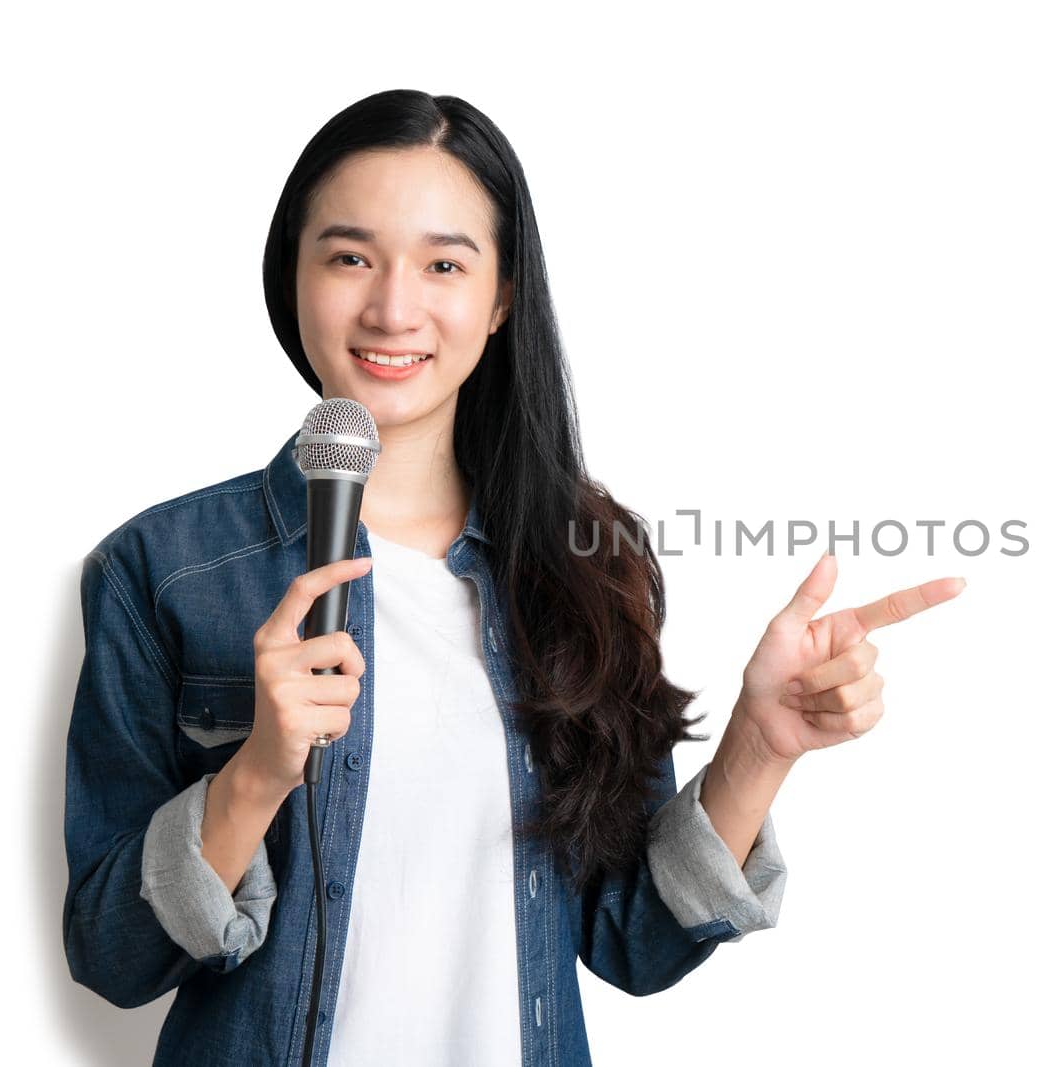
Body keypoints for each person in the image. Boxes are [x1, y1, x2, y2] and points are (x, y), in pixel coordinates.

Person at [61, 89, 965, 1066]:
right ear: (295, 275)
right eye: (350, 255)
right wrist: (255, 776)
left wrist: (760, 745)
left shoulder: (584, 564)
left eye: (443, 263)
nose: (391, 306)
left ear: (498, 297)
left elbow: (631, 941)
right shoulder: (163, 570)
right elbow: (112, 953)